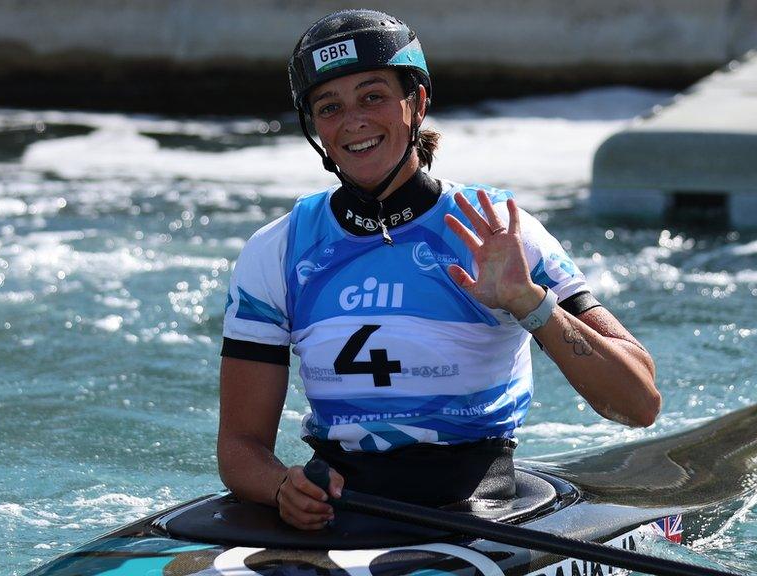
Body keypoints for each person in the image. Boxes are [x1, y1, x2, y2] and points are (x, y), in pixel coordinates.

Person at [217, 9, 659, 531]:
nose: (353, 120)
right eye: (329, 106)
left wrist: (529, 303)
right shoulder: (279, 248)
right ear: (315, 128)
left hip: (477, 507)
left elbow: (638, 403)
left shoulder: (497, 231)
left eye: (373, 96)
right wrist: (279, 487)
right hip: (340, 508)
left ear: (417, 103)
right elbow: (241, 446)